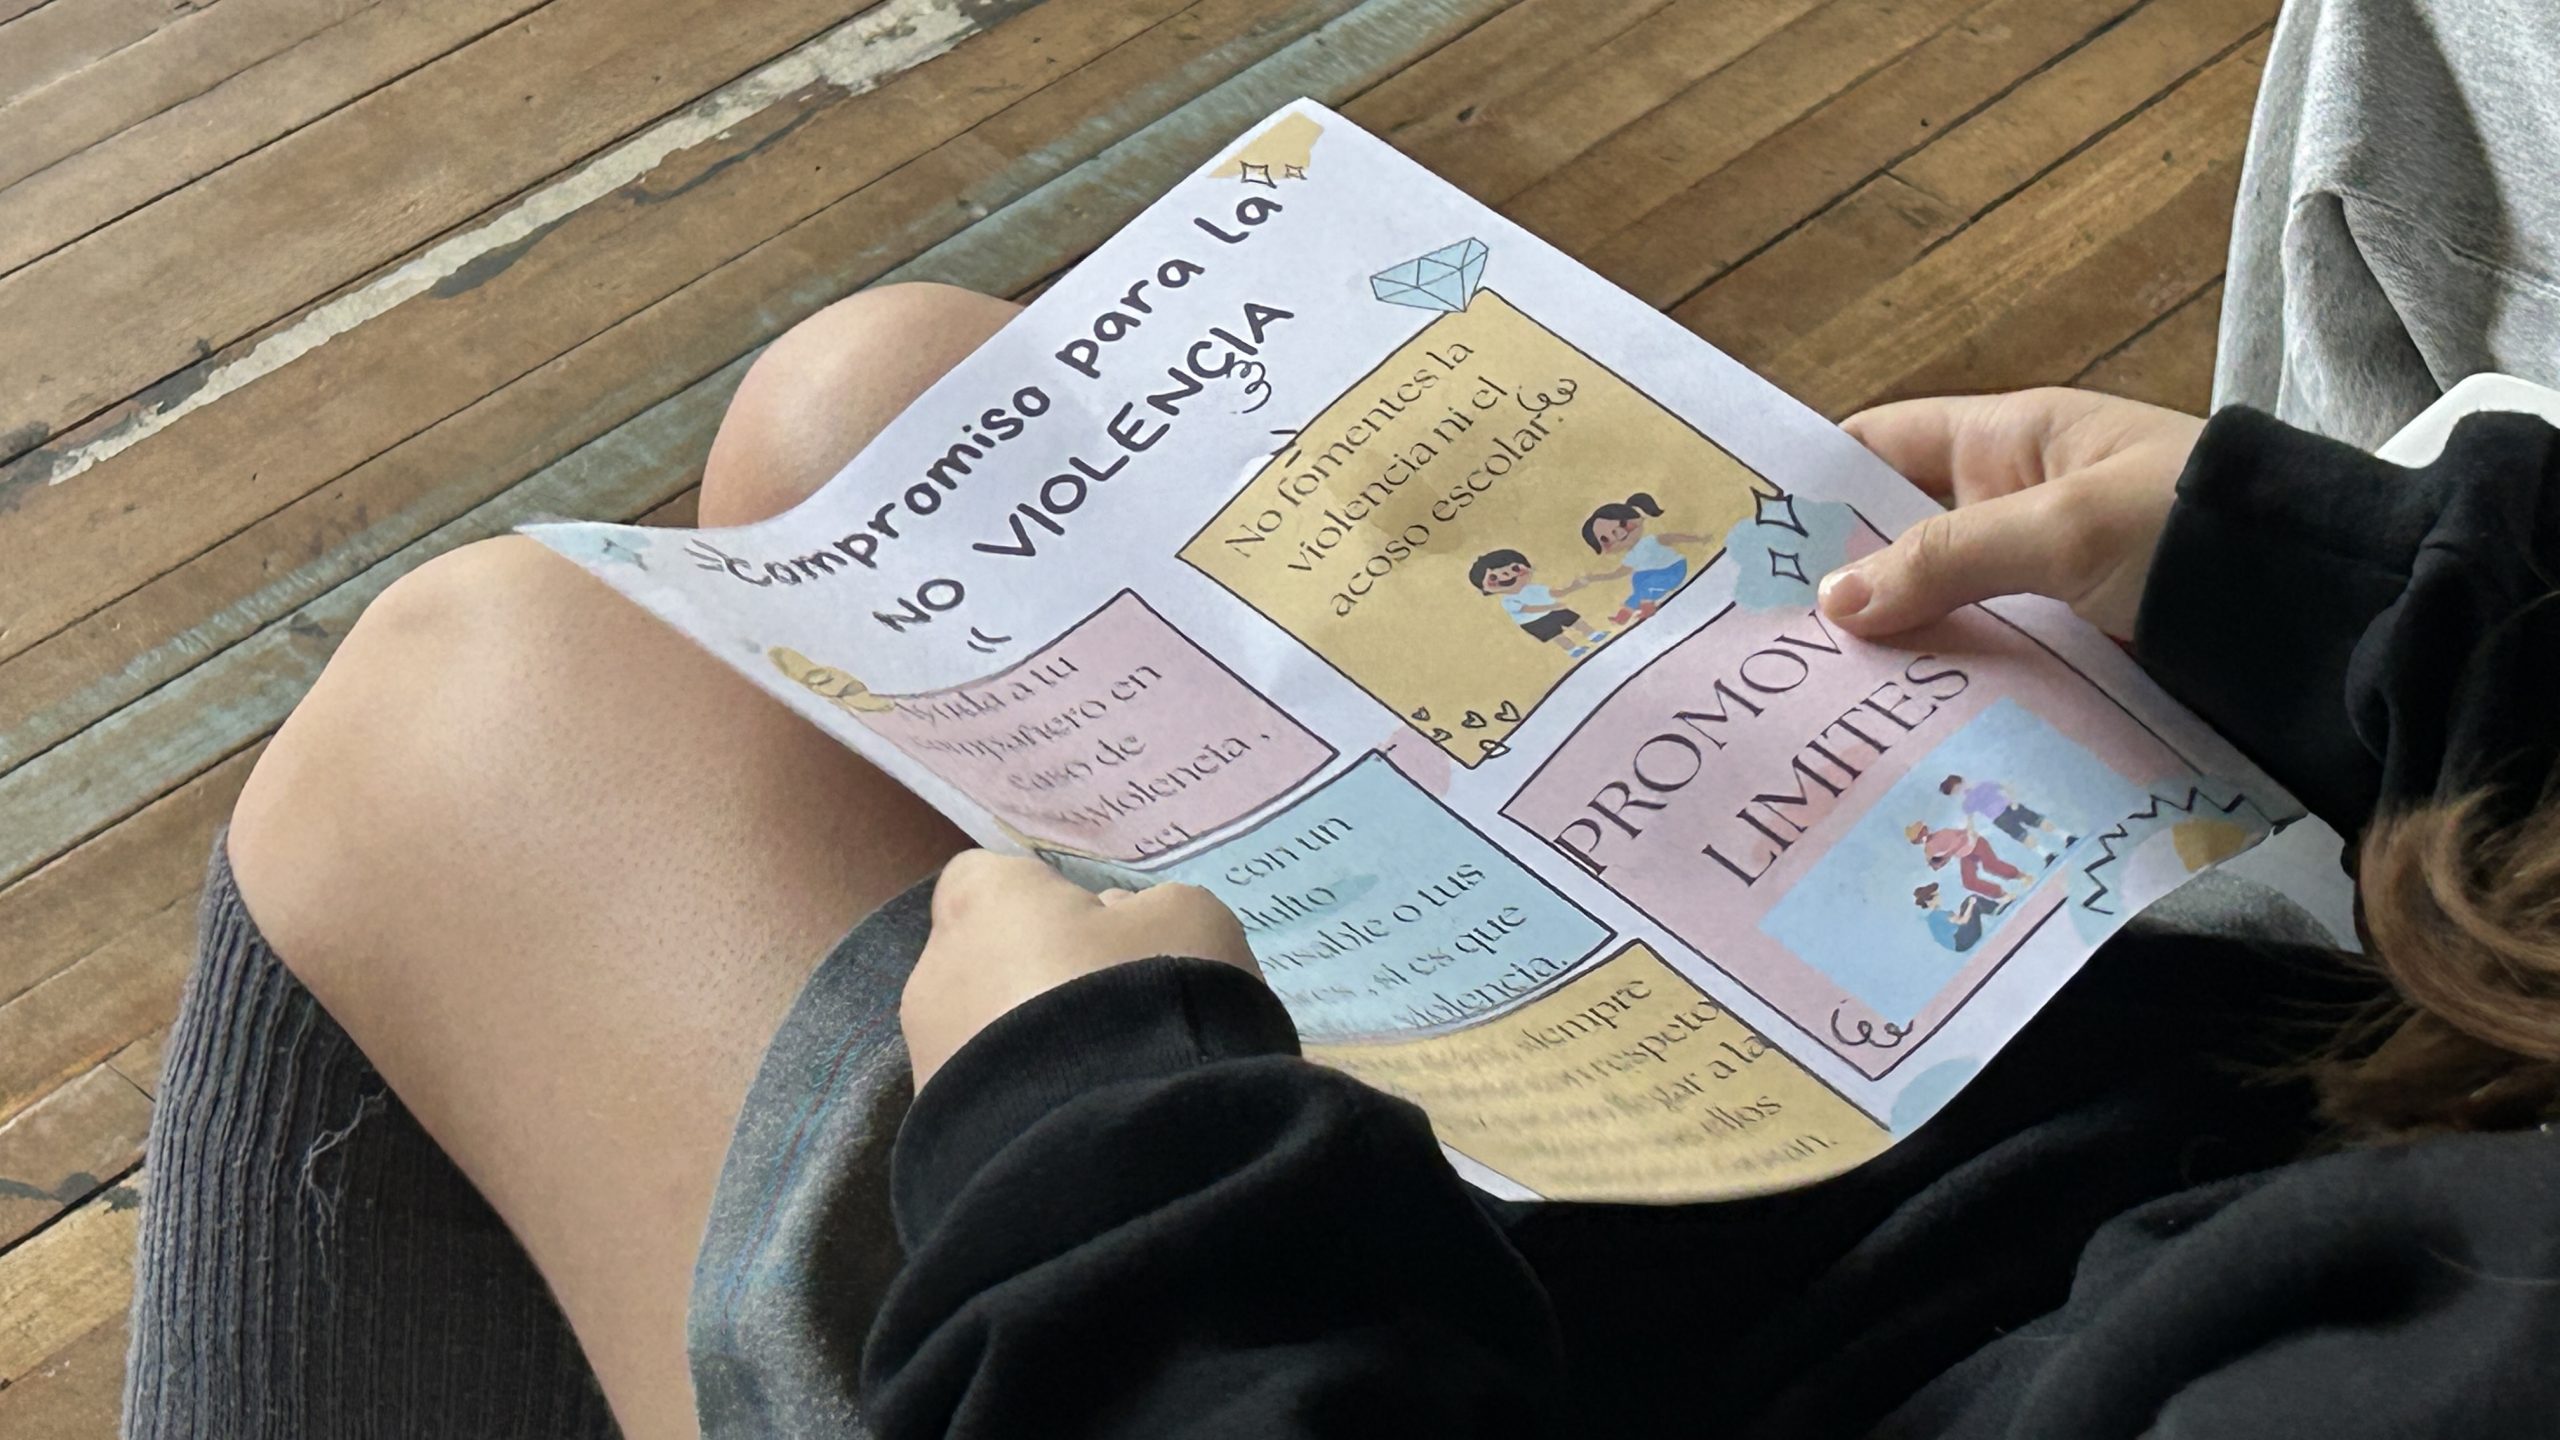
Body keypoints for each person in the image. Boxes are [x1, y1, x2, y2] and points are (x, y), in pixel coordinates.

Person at [120, 5, 2560, 1438]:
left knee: (467, 712)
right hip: (2283, 1100)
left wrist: (1102, 1169)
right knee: (883, 406)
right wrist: (2366, 588)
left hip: (1412, 1355)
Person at [1569, 492, 1711, 622]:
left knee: (1644, 583)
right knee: (1637, 580)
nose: (1619, 534)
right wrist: (1594, 578)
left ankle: (1648, 607)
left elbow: (1673, 537)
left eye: (1622, 524)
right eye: (1605, 539)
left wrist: (1698, 539)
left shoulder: (1649, 541)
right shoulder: (1630, 557)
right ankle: (1625, 614)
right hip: (1655, 580)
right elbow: (1617, 574)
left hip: (1673, 569)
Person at [1468, 548, 1606, 656]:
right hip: (1534, 621)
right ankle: (1573, 650)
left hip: (1553, 609)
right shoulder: (1508, 600)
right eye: (1493, 577)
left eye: (1515, 568)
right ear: (1485, 589)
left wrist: (1573, 587)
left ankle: (1593, 635)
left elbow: (1554, 593)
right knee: (1557, 636)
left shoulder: (1534, 588)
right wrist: (1551, 606)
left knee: (1576, 621)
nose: (1507, 575)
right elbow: (1527, 609)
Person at [1939, 773, 2074, 859]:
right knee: (2024, 837)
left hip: (2011, 807)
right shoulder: (1967, 803)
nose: (1960, 791)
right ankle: (2047, 855)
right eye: (1956, 792)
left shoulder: (1983, 785)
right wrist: (1970, 834)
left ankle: (2067, 836)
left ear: (1962, 781)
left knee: (2039, 822)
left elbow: (2005, 786)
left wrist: (2014, 801)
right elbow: (1970, 819)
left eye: (1958, 787)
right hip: (1999, 819)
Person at [1905, 817, 2025, 900]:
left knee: (1990, 865)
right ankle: (2002, 894)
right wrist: (1936, 861)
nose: (1924, 836)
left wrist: (1968, 832)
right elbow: (1939, 862)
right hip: (1966, 855)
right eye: (1920, 837)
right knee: (1969, 882)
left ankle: (2021, 876)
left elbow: (1961, 837)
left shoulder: (1942, 833)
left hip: (1975, 844)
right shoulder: (1929, 849)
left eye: (1923, 832)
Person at [1913, 881, 2004, 953]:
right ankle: (1996, 908)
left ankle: (1995, 908)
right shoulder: (1939, 915)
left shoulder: (1933, 917)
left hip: (1960, 943)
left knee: (1966, 904)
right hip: (1962, 941)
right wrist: (1971, 904)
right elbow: (1963, 921)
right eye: (1937, 895)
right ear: (1929, 901)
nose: (1940, 897)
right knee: (1972, 900)